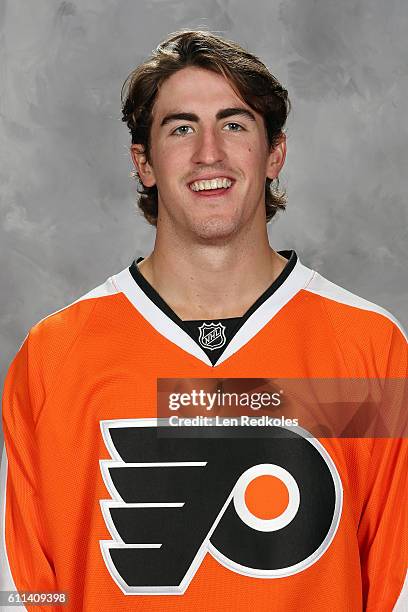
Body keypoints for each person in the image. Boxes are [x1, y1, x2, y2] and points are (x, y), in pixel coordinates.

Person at [1, 29, 406, 612]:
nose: (209, 152)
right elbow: (24, 586)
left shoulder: (370, 349)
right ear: (144, 161)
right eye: (181, 127)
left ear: (275, 154)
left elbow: (397, 585)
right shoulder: (54, 357)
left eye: (235, 125)